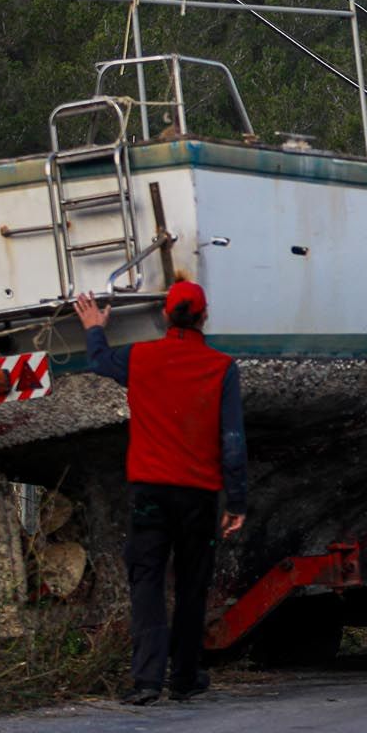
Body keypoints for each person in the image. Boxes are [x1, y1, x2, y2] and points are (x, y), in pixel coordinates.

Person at [76, 281, 248, 705]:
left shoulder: (141, 357)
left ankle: (146, 680)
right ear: (205, 317)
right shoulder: (221, 367)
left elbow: (98, 362)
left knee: (147, 581)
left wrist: (95, 326)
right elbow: (232, 440)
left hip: (150, 491)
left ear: (166, 317)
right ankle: (186, 676)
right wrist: (237, 501)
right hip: (198, 495)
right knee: (192, 583)